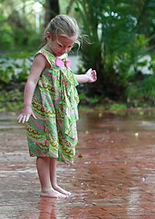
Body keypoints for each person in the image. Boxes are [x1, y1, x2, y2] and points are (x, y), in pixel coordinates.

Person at [17, 14, 97, 198]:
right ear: (48, 36)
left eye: (69, 46)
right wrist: (27, 106)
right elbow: (31, 81)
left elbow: (66, 78)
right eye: (61, 45)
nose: (64, 50)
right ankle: (46, 188)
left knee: (53, 148)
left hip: (57, 111)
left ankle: (53, 184)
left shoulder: (61, 56)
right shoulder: (42, 57)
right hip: (43, 110)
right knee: (44, 148)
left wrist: (85, 78)